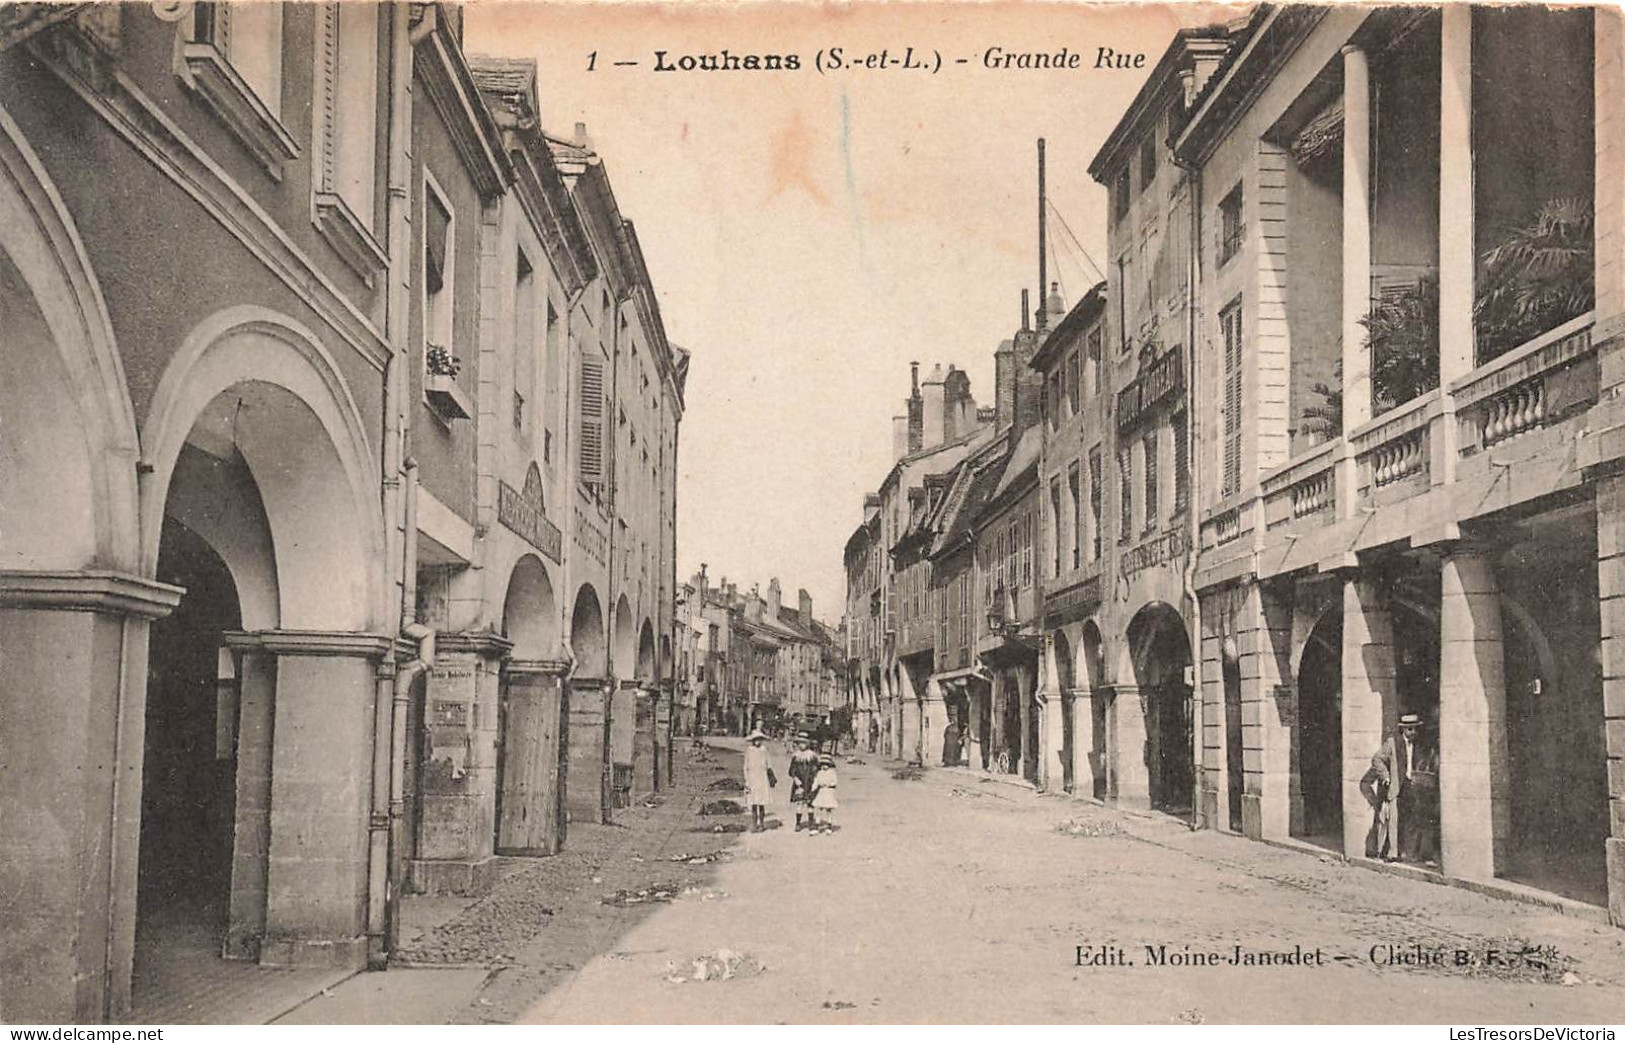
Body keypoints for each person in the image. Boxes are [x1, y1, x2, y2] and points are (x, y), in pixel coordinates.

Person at [1369, 712, 1436, 863]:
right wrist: (1386, 777)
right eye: (1410, 729)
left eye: (1415, 729)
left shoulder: (1420, 744)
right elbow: (1377, 759)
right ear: (1403, 730)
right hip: (1397, 785)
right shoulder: (1393, 743)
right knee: (1394, 820)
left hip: (1414, 786)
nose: (1413, 732)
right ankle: (1393, 852)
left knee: (1414, 819)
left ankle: (1410, 852)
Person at [788, 731, 820, 832]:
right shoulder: (796, 756)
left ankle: (811, 822)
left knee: (810, 803)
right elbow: (791, 770)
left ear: (808, 744)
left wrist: (816, 780)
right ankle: (798, 823)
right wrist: (795, 778)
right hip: (800, 783)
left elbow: (816, 769)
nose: (802, 745)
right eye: (800, 743)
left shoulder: (812, 756)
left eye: (804, 743)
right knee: (799, 803)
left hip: (809, 782)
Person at [743, 728, 773, 832]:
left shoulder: (764, 750)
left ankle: (762, 823)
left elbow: (768, 764)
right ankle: (754, 824)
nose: (757, 742)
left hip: (762, 777)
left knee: (761, 802)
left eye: (759, 739)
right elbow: (746, 766)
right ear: (752, 740)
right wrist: (747, 780)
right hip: (752, 778)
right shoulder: (749, 750)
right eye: (755, 739)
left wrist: (769, 773)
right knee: (753, 802)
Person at [810, 753, 839, 834]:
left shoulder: (832, 773)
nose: (824, 766)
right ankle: (816, 826)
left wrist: (829, 784)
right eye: (823, 764)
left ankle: (829, 825)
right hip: (821, 792)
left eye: (826, 764)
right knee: (818, 808)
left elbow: (835, 782)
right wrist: (812, 789)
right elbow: (816, 782)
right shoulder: (819, 773)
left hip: (829, 792)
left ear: (830, 765)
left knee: (829, 809)